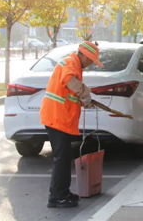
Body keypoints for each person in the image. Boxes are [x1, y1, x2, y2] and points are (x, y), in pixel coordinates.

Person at [40, 41, 103, 208]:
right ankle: (57, 196)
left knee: (64, 157)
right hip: (57, 117)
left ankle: (62, 192)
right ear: (84, 55)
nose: (90, 64)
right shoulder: (71, 62)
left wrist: (82, 100)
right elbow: (68, 80)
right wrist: (85, 93)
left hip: (60, 118)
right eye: (90, 60)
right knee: (61, 158)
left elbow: (67, 91)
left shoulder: (73, 63)